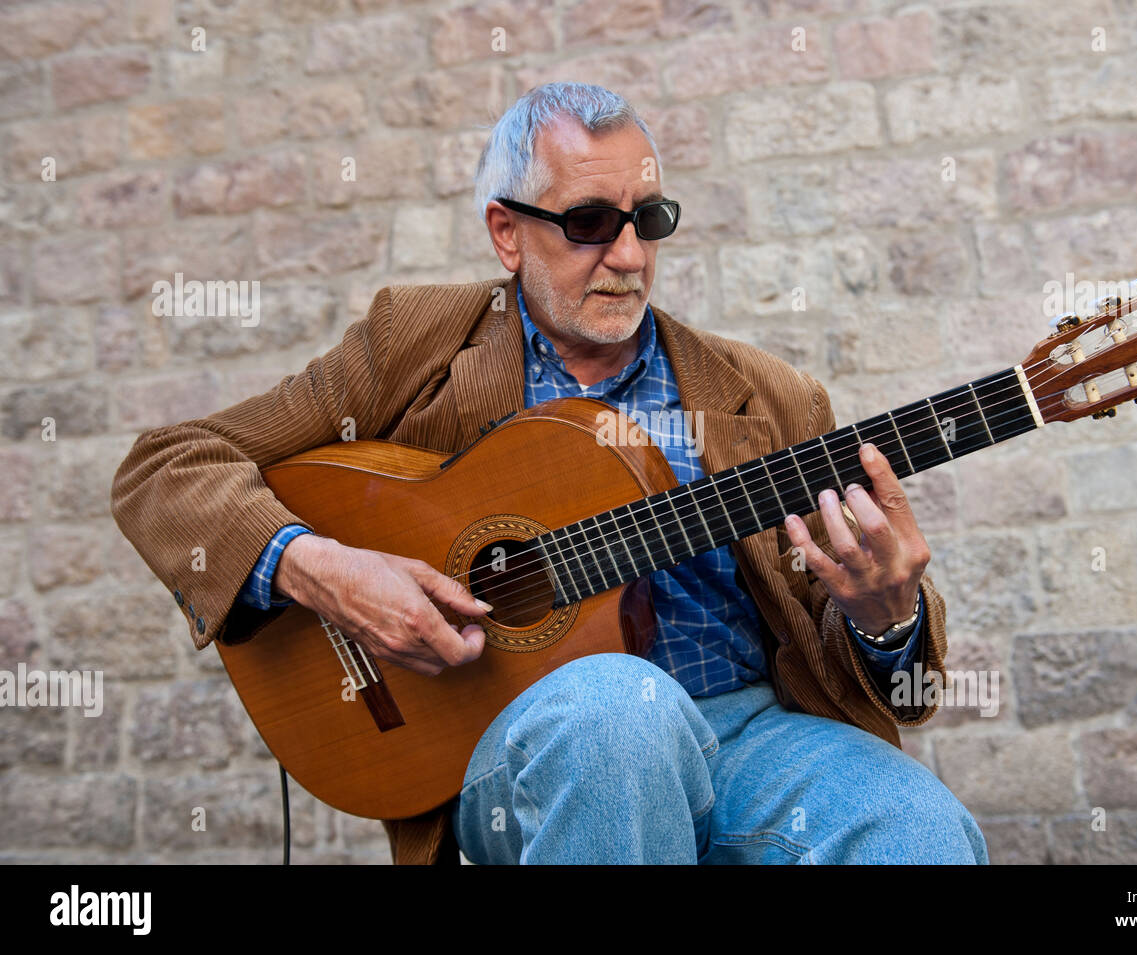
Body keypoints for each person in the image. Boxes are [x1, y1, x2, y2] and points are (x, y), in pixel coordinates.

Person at [111, 82, 987, 864]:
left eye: (649, 218)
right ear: (506, 232)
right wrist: (325, 569)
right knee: (619, 710)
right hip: (528, 749)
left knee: (916, 829)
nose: (631, 256)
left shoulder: (771, 396)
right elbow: (167, 467)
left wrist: (887, 618)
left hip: (752, 732)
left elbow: (886, 667)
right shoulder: (413, 344)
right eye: (589, 223)